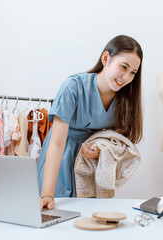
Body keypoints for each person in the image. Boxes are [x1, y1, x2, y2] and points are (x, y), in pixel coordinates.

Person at [37, 35, 143, 210]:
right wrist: (47, 194)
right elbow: (56, 143)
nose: (126, 77)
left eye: (133, 72)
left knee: (89, 218)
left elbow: (118, 143)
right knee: (55, 213)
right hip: (60, 159)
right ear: (105, 58)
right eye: (123, 67)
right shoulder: (73, 87)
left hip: (90, 167)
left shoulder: (126, 100)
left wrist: (100, 151)